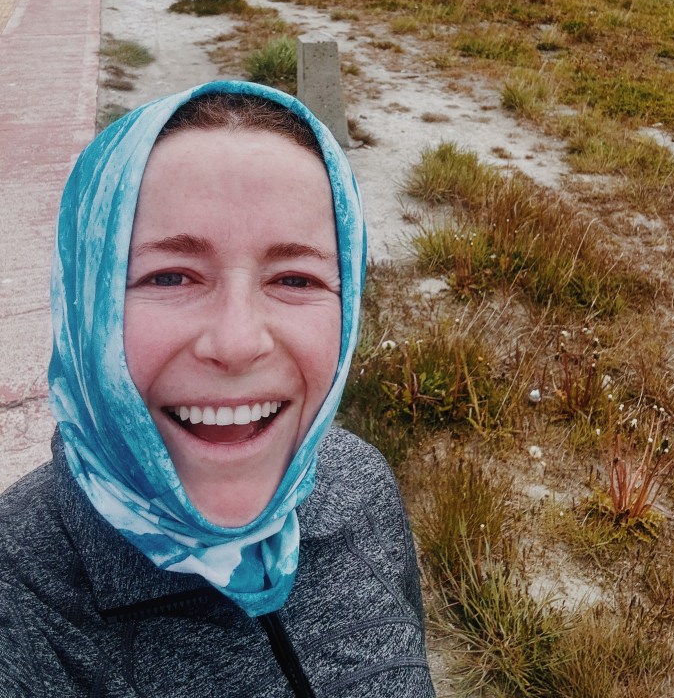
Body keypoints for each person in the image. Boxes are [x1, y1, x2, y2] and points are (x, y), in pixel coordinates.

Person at [0, 81, 435, 697]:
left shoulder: (361, 486)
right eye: (169, 276)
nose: (236, 343)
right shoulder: (20, 602)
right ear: (82, 304)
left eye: (295, 279)